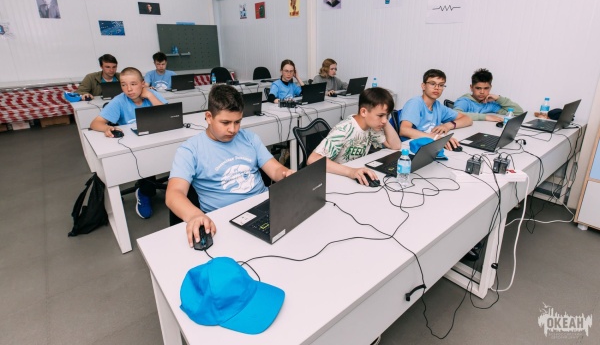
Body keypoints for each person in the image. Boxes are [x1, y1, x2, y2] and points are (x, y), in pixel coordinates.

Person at [166, 85, 294, 246]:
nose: (233, 129)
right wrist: (194, 215)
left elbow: (275, 169)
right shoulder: (190, 150)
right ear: (209, 117)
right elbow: (174, 194)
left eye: (237, 122)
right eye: (225, 122)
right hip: (224, 218)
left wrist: (286, 173)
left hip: (265, 207)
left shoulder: (249, 138)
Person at [90, 67, 167, 219]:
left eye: (133, 84)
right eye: (124, 85)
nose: (129, 89)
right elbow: (95, 123)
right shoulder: (119, 101)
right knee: (146, 161)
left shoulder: (152, 94)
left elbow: (167, 115)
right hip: (135, 149)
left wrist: (150, 96)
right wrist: (107, 127)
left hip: (158, 140)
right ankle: (144, 193)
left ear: (143, 84)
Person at [307, 87, 401, 185]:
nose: (385, 120)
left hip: (354, 175)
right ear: (363, 112)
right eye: (380, 115)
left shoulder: (372, 127)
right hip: (334, 179)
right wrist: (351, 172)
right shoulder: (344, 129)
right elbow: (312, 159)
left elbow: (395, 146)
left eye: (387, 115)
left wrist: (383, 119)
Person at [398, 69, 472, 150]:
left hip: (430, 146)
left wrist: (447, 125)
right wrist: (435, 138)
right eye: (432, 84)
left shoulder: (438, 106)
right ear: (423, 86)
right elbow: (404, 130)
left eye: (441, 85)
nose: (437, 88)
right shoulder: (415, 103)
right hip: (411, 147)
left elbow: (467, 119)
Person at [453, 68, 524, 122]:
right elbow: (455, 114)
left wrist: (498, 98)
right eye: (478, 88)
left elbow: (518, 112)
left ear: (490, 88)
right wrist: (485, 117)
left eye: (486, 88)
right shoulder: (464, 101)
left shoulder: (490, 103)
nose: (482, 92)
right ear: (471, 87)